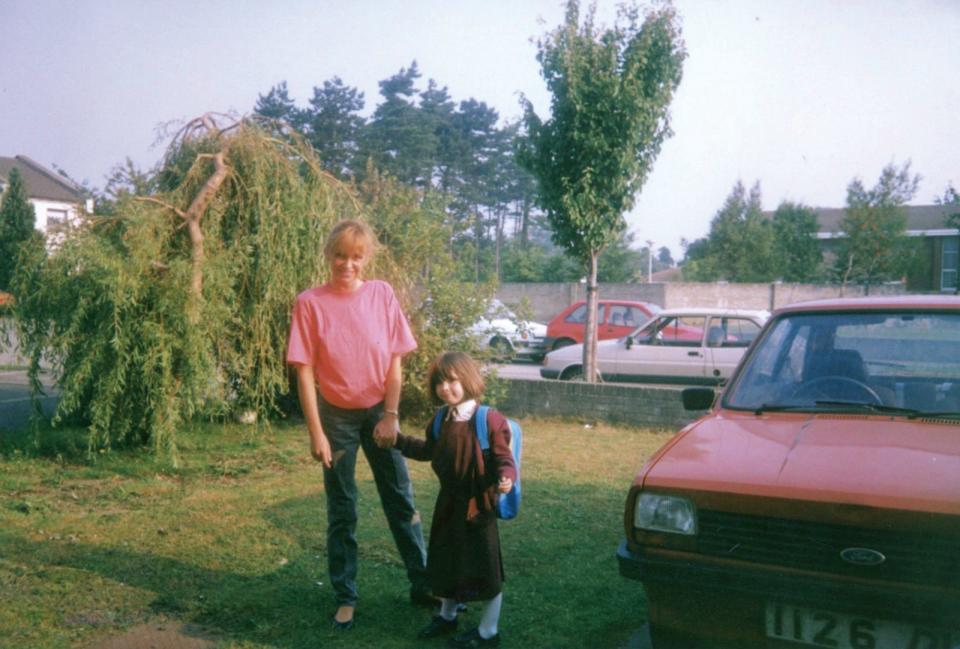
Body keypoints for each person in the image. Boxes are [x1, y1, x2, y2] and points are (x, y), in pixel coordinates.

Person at [286, 219, 434, 631]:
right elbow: (304, 373)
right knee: (342, 510)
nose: (346, 264)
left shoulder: (381, 294)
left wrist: (390, 415)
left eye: (355, 257)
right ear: (328, 254)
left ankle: (422, 584)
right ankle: (345, 596)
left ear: (365, 258)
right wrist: (316, 432)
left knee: (400, 500)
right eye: (339, 255)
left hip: (378, 414)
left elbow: (395, 360)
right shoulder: (310, 303)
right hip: (336, 418)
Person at [377, 351, 516, 648]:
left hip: (478, 505)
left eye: (452, 380)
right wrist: (399, 440)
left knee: (485, 568)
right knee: (445, 560)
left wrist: (507, 477)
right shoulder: (441, 419)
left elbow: (504, 457)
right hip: (448, 502)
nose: (445, 388)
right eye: (439, 382)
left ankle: (488, 632)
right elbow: (429, 450)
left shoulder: (488, 419)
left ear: (467, 379)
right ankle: (447, 615)